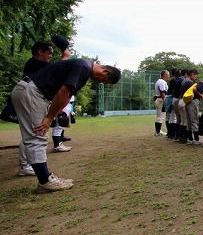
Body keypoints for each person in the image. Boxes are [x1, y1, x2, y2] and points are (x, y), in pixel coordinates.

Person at [11, 58, 121, 191]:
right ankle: (44, 181)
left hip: (34, 93)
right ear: (105, 71)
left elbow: (67, 96)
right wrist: (49, 118)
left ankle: (44, 178)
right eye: (104, 80)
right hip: (33, 93)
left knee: (36, 135)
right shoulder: (84, 67)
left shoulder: (84, 69)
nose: (101, 82)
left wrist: (54, 114)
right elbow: (63, 92)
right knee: (37, 135)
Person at [18, 41, 72, 175]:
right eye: (49, 53)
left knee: (32, 132)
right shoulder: (34, 63)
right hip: (32, 98)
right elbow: (58, 69)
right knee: (33, 133)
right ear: (40, 52)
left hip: (34, 98)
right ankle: (25, 166)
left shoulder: (35, 64)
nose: (50, 56)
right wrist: (65, 57)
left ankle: (27, 164)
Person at [165, 69, 182, 140]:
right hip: (171, 97)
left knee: (169, 117)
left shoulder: (173, 80)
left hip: (169, 97)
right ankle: (172, 134)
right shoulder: (176, 80)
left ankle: (170, 133)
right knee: (173, 117)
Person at [153, 70, 170, 136]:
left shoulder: (159, 81)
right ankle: (158, 132)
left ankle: (158, 131)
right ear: (164, 75)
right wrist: (165, 101)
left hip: (158, 99)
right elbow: (162, 92)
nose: (168, 76)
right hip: (161, 100)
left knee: (159, 116)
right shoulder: (162, 82)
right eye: (168, 74)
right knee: (160, 116)